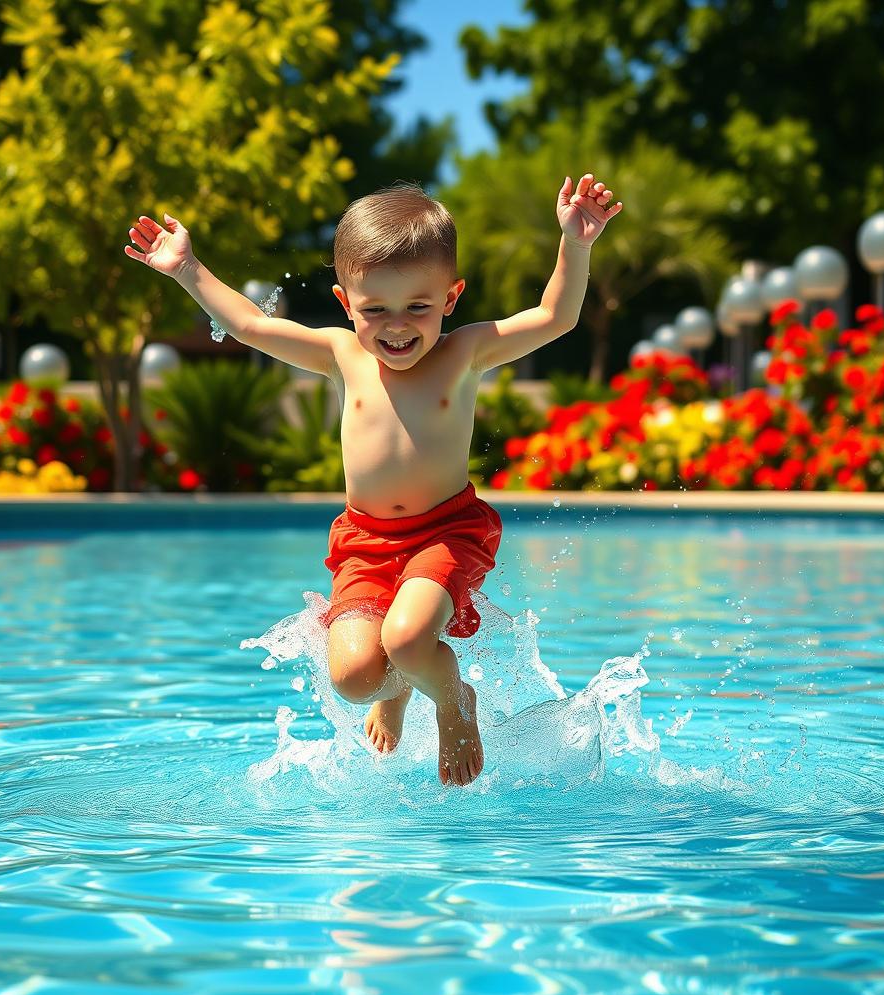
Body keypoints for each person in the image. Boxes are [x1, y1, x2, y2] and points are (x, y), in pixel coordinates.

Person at [124, 174, 622, 787]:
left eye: (418, 306)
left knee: (410, 639)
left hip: (445, 533)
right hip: (365, 542)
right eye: (375, 309)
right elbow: (252, 327)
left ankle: (451, 700)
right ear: (344, 303)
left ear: (451, 297)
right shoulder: (341, 354)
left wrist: (576, 244)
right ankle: (400, 690)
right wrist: (186, 268)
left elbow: (556, 317)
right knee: (355, 678)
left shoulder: (464, 353)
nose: (397, 325)